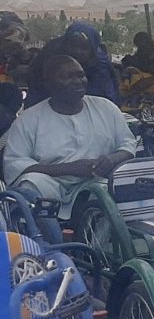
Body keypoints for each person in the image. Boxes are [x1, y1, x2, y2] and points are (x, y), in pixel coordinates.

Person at [4, 54, 136, 204]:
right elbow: (15, 164)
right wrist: (68, 169)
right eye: (68, 76)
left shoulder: (106, 107)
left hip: (99, 182)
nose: (78, 81)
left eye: (81, 75)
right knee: (30, 183)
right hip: (51, 185)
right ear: (48, 83)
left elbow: (128, 145)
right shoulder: (28, 119)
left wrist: (111, 159)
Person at [28, 23, 119, 106]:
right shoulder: (48, 56)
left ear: (92, 50)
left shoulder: (100, 67)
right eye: (73, 46)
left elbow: (105, 102)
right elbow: (36, 90)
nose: (77, 51)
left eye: (84, 48)